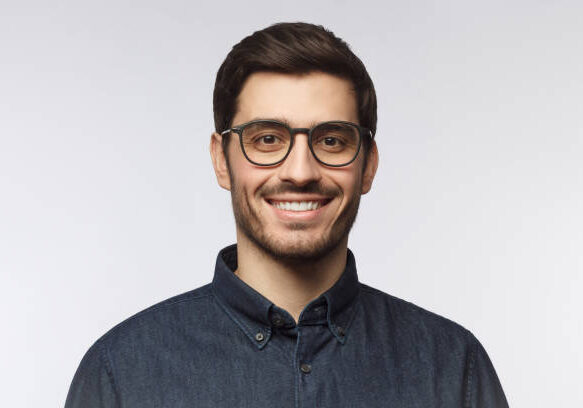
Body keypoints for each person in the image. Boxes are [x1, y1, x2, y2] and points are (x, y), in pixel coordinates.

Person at [65, 22, 509, 407]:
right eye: (267, 139)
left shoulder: (454, 369)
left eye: (332, 140)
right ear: (222, 160)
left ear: (368, 164)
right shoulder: (119, 374)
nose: (300, 172)